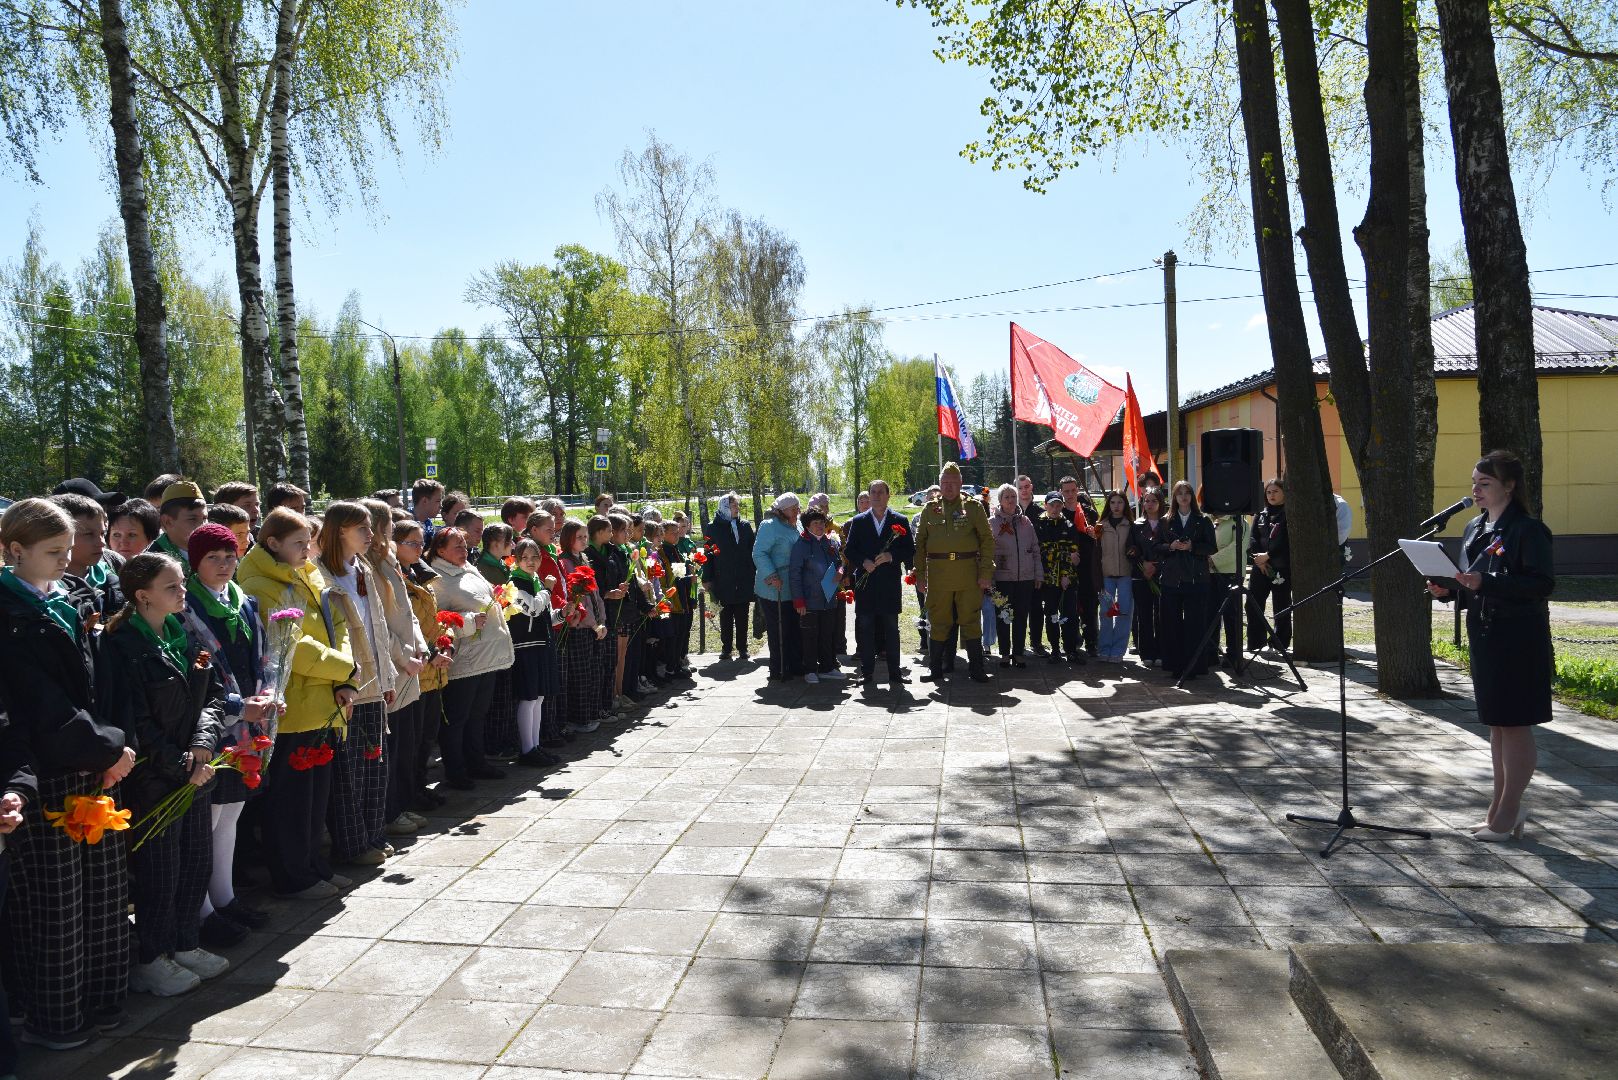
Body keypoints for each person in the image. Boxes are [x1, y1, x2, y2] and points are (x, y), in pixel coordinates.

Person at [0, 499, 133, 1049]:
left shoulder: (65, 598)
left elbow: (99, 681)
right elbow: (41, 704)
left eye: (67, 549)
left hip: (93, 761)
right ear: (14, 552)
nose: (65, 559)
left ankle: (99, 999)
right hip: (49, 767)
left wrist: (113, 748)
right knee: (55, 907)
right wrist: (108, 749)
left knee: (101, 895)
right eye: (52, 552)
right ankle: (53, 1016)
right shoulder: (11, 617)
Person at [98, 553, 229, 996]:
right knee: (160, 869)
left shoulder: (181, 631)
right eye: (172, 587)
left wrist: (202, 747)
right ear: (142, 596)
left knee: (196, 859)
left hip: (193, 767)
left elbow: (212, 695)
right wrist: (178, 765)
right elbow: (133, 719)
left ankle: (185, 942)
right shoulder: (122, 646)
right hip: (155, 779)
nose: (182, 593)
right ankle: (153, 957)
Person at [1427, 451, 1555, 842]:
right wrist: (1448, 590)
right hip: (1485, 633)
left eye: (1485, 483)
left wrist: (1486, 584)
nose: (1476, 490)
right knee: (1497, 726)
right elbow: (1470, 579)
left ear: (1509, 486)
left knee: (1515, 725)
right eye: (1474, 483)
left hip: (1518, 637)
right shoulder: (1474, 528)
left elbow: (1539, 585)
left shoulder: (1528, 530)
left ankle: (1509, 810)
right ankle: (1499, 808)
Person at [236, 506, 356, 901]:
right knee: (290, 801)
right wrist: (345, 668)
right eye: (299, 543)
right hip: (292, 710)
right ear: (272, 544)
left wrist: (344, 677)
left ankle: (312, 865)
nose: (308, 549)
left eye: (310, 542)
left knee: (314, 797)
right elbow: (291, 644)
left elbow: (335, 623)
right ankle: (292, 876)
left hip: (322, 699)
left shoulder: (306, 571)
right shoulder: (259, 583)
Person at [179, 524, 273, 950]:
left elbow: (261, 657)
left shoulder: (243, 602)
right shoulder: (186, 608)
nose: (223, 565)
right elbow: (199, 677)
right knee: (207, 819)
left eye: (230, 556)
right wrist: (237, 707)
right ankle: (200, 911)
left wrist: (270, 691)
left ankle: (224, 897)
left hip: (247, 725)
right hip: (210, 726)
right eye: (212, 558)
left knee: (231, 811)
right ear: (195, 563)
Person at [360, 499, 428, 843]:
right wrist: (404, 657)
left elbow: (406, 611)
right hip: (392, 667)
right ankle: (388, 811)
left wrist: (421, 645)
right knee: (391, 743)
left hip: (409, 664)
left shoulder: (386, 559)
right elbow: (378, 624)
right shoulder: (365, 566)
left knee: (406, 742)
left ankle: (400, 805)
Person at [429, 526, 514, 789]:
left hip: (485, 655)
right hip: (463, 658)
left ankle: (476, 762)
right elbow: (434, 619)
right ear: (440, 550)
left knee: (478, 714)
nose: (464, 550)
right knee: (457, 718)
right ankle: (456, 771)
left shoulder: (468, 568)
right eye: (457, 546)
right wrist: (466, 622)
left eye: (465, 546)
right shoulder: (437, 577)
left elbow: (482, 596)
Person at [913, 462, 995, 684]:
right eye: (945, 482)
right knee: (939, 620)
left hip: (968, 574)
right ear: (939, 484)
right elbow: (919, 544)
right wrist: (920, 575)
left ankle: (976, 668)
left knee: (970, 620)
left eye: (953, 482)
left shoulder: (974, 507)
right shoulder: (930, 509)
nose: (948, 487)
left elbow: (987, 540)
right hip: (938, 575)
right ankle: (935, 670)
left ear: (960, 484)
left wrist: (985, 572)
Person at [393, 519, 452, 812]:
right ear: (394, 544)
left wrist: (446, 639)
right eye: (412, 543)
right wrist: (430, 651)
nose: (419, 548)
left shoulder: (418, 574)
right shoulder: (394, 578)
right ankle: (408, 794)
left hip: (433, 665)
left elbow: (433, 617)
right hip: (415, 667)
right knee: (412, 741)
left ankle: (419, 786)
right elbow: (403, 625)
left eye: (421, 543)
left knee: (427, 736)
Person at [843, 480, 913, 688]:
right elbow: (849, 550)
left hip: (889, 584)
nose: (875, 495)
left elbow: (909, 549)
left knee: (891, 628)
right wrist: (863, 561)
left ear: (888, 495)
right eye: (873, 492)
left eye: (880, 492)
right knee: (866, 627)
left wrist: (892, 555)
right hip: (866, 584)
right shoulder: (859, 521)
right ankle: (866, 673)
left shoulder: (899, 520)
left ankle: (895, 673)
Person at [1156, 481, 1216, 681]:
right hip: (1172, 580)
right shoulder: (1165, 521)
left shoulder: (1203, 520)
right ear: (1174, 497)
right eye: (1179, 493)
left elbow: (1211, 547)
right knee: (1171, 624)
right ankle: (1174, 665)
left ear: (1191, 497)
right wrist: (1171, 546)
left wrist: (1192, 547)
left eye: (1187, 493)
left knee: (1195, 624)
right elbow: (1156, 548)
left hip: (1196, 579)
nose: (1183, 497)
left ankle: (1195, 666)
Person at [509, 538, 557, 763]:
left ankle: (536, 745)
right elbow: (533, 609)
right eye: (525, 558)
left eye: (535, 557)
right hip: (525, 646)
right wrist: (547, 590)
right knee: (528, 698)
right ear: (517, 560)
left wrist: (563, 615)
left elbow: (546, 616)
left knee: (538, 698)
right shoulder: (514, 584)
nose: (531, 562)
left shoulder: (536, 581)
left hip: (541, 643)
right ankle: (527, 750)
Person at [560, 518, 609, 733]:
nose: (583, 540)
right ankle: (579, 718)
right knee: (580, 675)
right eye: (578, 537)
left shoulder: (585, 559)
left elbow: (595, 595)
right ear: (568, 538)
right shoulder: (565, 562)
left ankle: (591, 712)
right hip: (579, 627)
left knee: (594, 672)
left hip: (594, 626)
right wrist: (591, 623)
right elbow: (576, 598)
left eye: (585, 536)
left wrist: (602, 621)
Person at [788, 509, 845, 684]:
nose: (820, 526)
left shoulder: (830, 543)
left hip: (828, 598)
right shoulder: (801, 545)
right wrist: (799, 600)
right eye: (815, 524)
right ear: (807, 526)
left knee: (828, 634)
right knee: (810, 636)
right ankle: (810, 669)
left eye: (822, 523)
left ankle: (828, 667)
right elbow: (794, 574)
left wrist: (840, 572)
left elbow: (839, 563)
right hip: (809, 600)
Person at [753, 494, 806, 682]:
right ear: (782, 510)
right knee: (778, 629)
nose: (798, 512)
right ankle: (778, 668)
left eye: (798, 508)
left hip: (794, 585)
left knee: (794, 627)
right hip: (774, 587)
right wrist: (771, 575)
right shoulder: (769, 526)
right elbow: (759, 553)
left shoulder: (797, 524)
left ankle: (795, 663)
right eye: (794, 509)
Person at [989, 483, 1042, 667]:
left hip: (1025, 578)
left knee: (1020, 617)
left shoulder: (1025, 522)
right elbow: (987, 552)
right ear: (1000, 501)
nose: (1011, 500)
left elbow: (1035, 548)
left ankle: (1018, 653)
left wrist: (1038, 574)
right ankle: (1004, 653)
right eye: (1007, 497)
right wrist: (990, 578)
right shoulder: (993, 523)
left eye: (1013, 496)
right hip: (1002, 579)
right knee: (1003, 616)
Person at [52, 491, 124, 618]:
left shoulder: (113, 575)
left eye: (102, 533)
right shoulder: (47, 587)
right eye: (88, 534)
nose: (101, 542)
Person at [704, 492, 755, 662]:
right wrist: (707, 578)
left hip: (743, 578)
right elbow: (708, 555)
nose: (737, 509)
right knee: (725, 615)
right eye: (733, 506)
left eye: (737, 506)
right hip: (723, 578)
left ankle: (742, 648)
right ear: (725, 507)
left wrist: (754, 573)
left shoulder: (745, 526)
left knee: (742, 614)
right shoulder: (712, 528)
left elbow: (752, 552)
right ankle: (726, 648)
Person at [1035, 493, 1082, 666]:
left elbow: (1075, 554)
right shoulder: (1039, 525)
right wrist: (1063, 553)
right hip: (1048, 580)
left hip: (1067, 579)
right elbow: (1041, 552)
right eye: (1052, 505)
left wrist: (1066, 575)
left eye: (1058, 505)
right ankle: (1055, 650)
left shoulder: (1069, 525)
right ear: (1046, 505)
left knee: (1069, 616)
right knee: (1051, 615)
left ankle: (1071, 650)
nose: (1055, 509)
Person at [1246, 478, 1291, 654]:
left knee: (1282, 604)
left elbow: (1287, 542)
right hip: (1260, 567)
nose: (1271, 495)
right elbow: (1253, 538)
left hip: (1281, 567)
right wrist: (1259, 558)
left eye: (1276, 491)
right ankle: (1256, 642)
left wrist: (1269, 556)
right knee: (1253, 604)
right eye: (1269, 492)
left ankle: (1280, 642)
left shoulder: (1288, 513)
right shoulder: (1261, 513)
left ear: (1284, 492)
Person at [1060, 476, 1102, 658]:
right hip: (1065, 567)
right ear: (1061, 492)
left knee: (1090, 605)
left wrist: (1096, 535)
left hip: (1087, 567)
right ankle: (1071, 641)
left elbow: (1101, 538)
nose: (1070, 494)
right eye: (1066, 491)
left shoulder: (1089, 513)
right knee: (1068, 607)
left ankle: (1092, 641)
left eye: (1072, 490)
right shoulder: (1058, 513)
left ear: (1077, 491)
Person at [1204, 496, 1246, 671]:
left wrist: (1213, 559)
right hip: (1210, 574)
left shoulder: (1238, 520)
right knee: (1211, 614)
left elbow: (1238, 546)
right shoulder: (1209, 521)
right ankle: (1211, 653)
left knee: (1231, 615)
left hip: (1230, 573)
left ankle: (1233, 654)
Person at [1095, 491, 1138, 664]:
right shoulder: (1100, 526)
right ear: (1108, 505)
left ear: (1125, 505)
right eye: (1113, 502)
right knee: (1106, 613)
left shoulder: (1131, 526)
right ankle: (1104, 648)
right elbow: (1096, 553)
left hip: (1126, 576)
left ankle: (1118, 650)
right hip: (1107, 577)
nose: (1116, 506)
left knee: (1124, 612)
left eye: (1120, 502)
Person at [1132, 488, 1166, 666]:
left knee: (1161, 614)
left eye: (1153, 500)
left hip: (1162, 575)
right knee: (1144, 615)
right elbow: (1130, 550)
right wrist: (1143, 564)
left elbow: (1169, 548)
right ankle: (1146, 652)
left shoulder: (1167, 523)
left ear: (1160, 503)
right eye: (1146, 500)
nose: (1150, 504)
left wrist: (1156, 566)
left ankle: (1161, 651)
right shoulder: (1137, 525)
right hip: (1141, 575)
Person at [150, 480, 207, 570]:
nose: (202, 526)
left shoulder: (213, 551)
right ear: (167, 521)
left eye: (204, 519)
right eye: (192, 519)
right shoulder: (151, 562)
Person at [108, 499, 161, 563]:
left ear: (150, 539)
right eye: (116, 535)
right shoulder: (99, 570)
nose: (123, 542)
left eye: (132, 535)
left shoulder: (165, 570)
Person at [411, 478, 444, 547]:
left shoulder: (428, 523)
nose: (441, 506)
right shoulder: (406, 522)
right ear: (424, 501)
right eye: (438, 501)